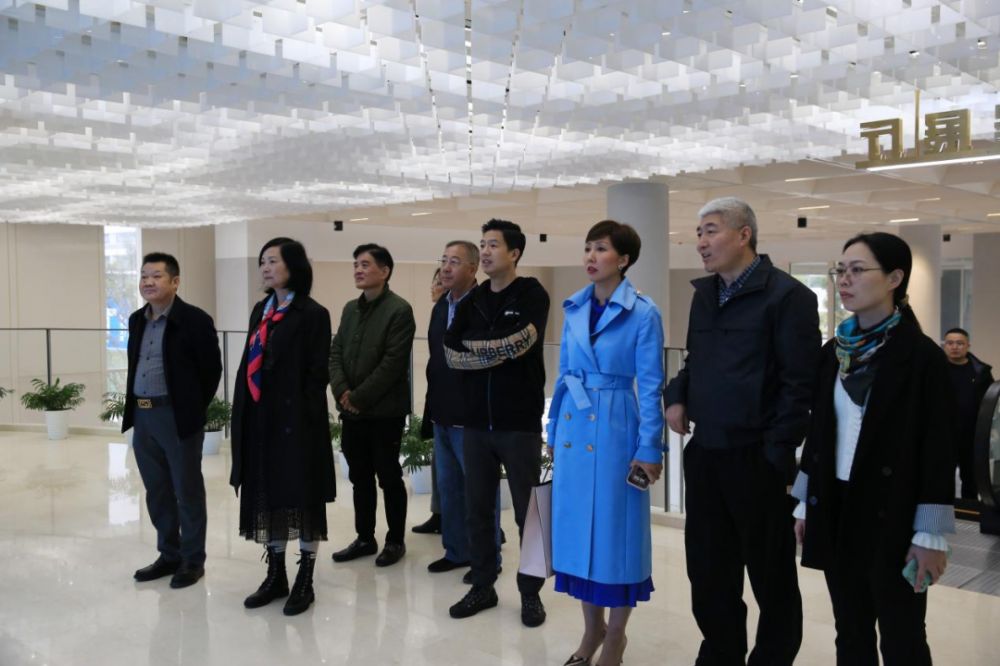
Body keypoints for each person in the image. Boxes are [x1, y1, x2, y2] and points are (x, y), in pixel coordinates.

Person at [664, 197, 819, 666]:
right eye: (698, 233)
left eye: (710, 231)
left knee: (771, 577)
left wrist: (776, 453)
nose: (700, 242)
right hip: (707, 452)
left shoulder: (788, 297)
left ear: (744, 234)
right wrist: (677, 394)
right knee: (708, 572)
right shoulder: (705, 295)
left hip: (757, 456)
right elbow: (694, 362)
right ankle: (721, 654)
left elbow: (798, 385)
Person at [792, 232, 956, 665]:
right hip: (838, 506)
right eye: (840, 270)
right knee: (850, 630)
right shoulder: (834, 354)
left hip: (894, 512)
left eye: (857, 270)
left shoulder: (922, 358)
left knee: (903, 636)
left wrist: (931, 534)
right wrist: (805, 504)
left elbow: (938, 449)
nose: (844, 279)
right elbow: (819, 434)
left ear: (894, 279)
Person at [547, 220, 665, 666]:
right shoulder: (574, 306)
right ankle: (590, 630)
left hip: (617, 426)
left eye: (601, 249)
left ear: (624, 259)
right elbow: (563, 374)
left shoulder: (644, 313)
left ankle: (615, 636)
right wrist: (554, 430)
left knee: (616, 537)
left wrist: (649, 447)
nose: (591, 257)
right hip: (575, 427)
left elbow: (651, 386)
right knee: (579, 534)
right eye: (587, 248)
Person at [444, 219, 550, 628]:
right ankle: (483, 584)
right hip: (475, 423)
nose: (485, 251)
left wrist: (478, 350)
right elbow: (451, 351)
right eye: (483, 244)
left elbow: (523, 340)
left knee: (530, 513)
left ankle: (530, 592)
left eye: (493, 245)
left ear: (514, 253)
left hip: (519, 422)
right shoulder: (472, 299)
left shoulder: (532, 293)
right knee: (477, 510)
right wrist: (496, 351)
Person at [230, 237, 336, 616]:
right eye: (262, 261)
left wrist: (296, 415)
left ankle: (305, 578)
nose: (265, 267)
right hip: (261, 421)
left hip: (298, 425)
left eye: (273, 261)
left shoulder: (313, 313)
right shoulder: (261, 310)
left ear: (294, 266)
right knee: (268, 497)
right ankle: (276, 574)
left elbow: (317, 374)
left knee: (303, 499)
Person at [125, 252, 222, 589]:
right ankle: (169, 554)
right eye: (144, 276)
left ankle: (192, 560)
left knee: (187, 490)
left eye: (156, 276)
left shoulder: (194, 320)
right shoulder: (137, 320)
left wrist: (191, 408)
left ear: (175, 282)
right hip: (143, 415)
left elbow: (211, 371)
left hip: (176, 416)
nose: (148, 282)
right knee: (157, 490)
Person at [329, 243, 416, 567]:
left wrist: (358, 398)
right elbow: (336, 353)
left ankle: (395, 541)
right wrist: (342, 391)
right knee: (359, 477)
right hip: (352, 412)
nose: (358, 270)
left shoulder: (399, 310)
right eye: (356, 264)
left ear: (385, 271)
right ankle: (365, 537)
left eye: (365, 264)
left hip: (384, 413)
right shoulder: (350, 308)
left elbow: (393, 363)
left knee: (389, 477)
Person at [413, 267, 447, 536]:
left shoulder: (458, 310)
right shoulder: (439, 312)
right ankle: (439, 514)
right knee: (439, 462)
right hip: (438, 397)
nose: (433, 286)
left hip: (456, 405)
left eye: (437, 282)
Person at [942, 327, 994, 499]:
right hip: (942, 433)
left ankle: (969, 511)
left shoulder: (981, 372)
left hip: (971, 434)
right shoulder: (936, 369)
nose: (954, 347)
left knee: (970, 478)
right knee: (941, 477)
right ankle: (944, 511)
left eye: (959, 343)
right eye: (950, 343)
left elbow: (990, 402)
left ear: (968, 346)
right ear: (944, 345)